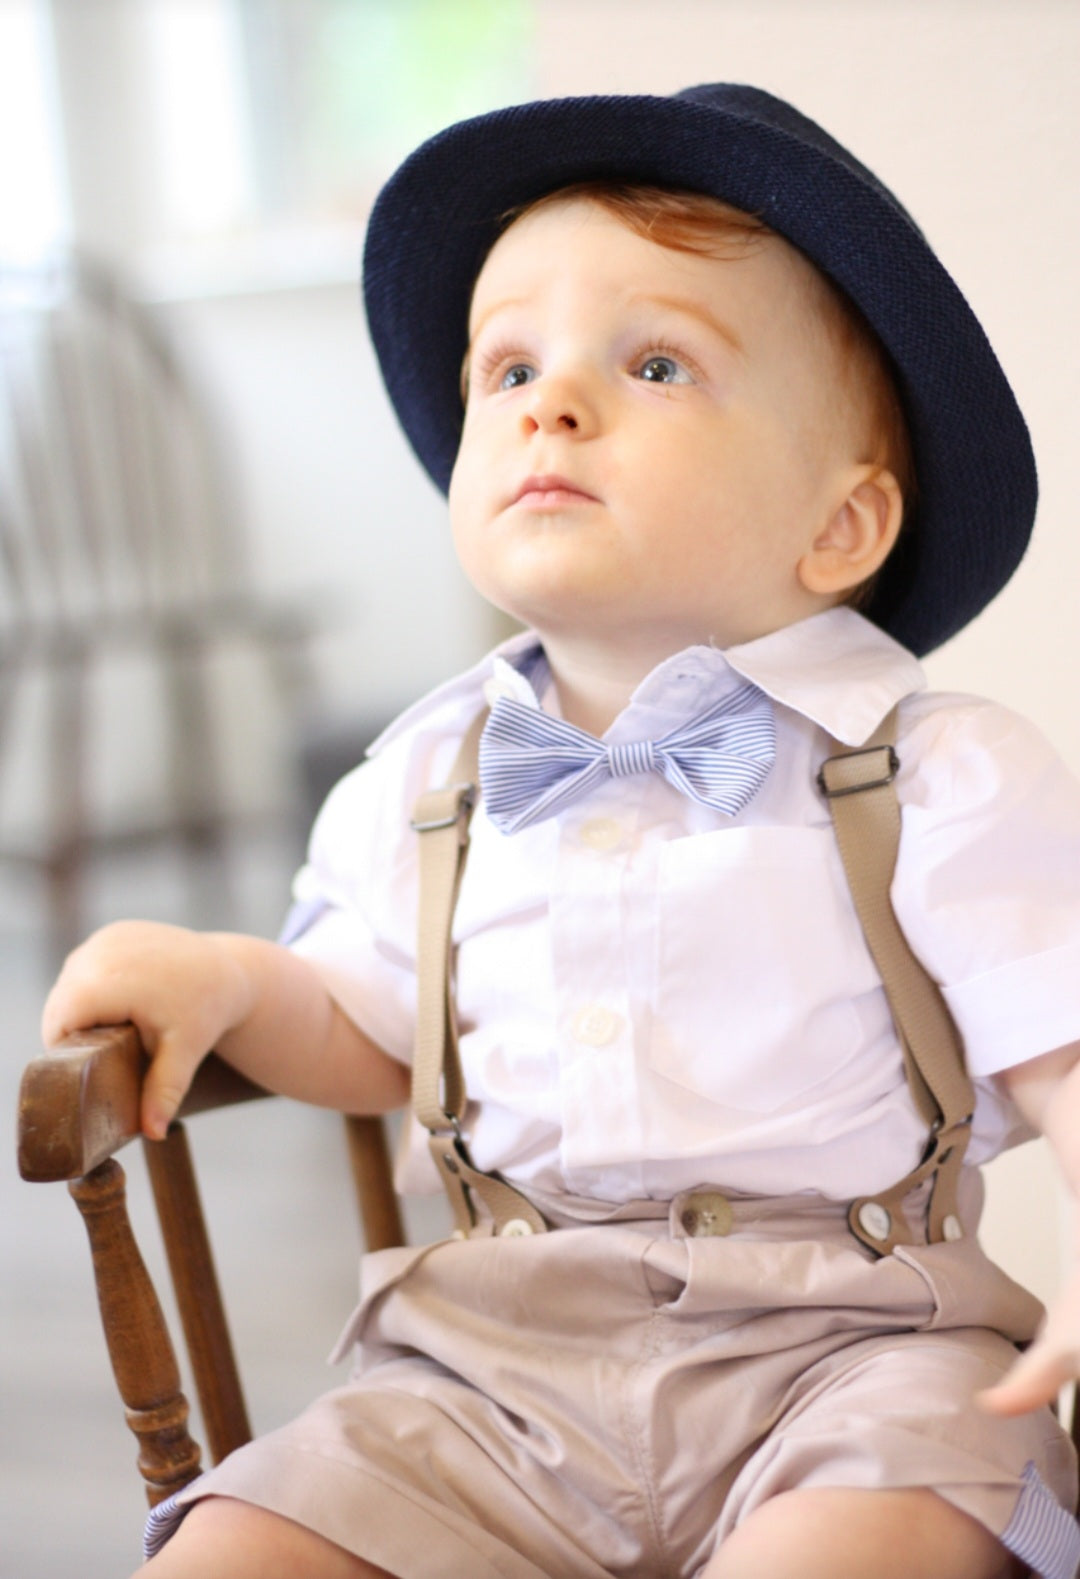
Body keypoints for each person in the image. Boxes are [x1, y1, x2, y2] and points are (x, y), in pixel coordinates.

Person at [43, 85, 1080, 1579]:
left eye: (656, 363)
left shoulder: (930, 772)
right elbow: (362, 1025)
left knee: (883, 1520)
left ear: (840, 528)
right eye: (508, 365)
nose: (552, 403)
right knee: (234, 1545)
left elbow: (1061, 1041)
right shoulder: (426, 777)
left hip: (854, 1352)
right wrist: (223, 980)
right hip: (485, 1379)